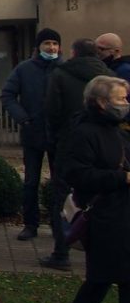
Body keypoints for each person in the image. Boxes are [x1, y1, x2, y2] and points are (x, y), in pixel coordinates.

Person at [61, 75, 130, 303]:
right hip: (105, 216)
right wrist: (120, 178)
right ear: (101, 102)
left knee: (102, 276)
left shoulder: (119, 129)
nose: (125, 103)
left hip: (121, 213)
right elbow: (77, 174)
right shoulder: (84, 132)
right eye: (121, 98)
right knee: (123, 277)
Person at [43, 38, 114, 271]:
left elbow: (52, 111)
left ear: (73, 53)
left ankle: (61, 252)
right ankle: (101, 252)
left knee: (63, 197)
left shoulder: (61, 74)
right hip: (105, 143)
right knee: (100, 196)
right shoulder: (109, 76)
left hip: (69, 142)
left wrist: (54, 138)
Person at [0, 28, 62, 242]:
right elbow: (7, 95)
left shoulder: (64, 69)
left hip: (58, 134)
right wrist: (23, 119)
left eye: (55, 44)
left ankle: (59, 224)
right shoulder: (24, 69)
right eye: (47, 44)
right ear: (39, 47)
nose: (52, 48)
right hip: (33, 132)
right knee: (31, 181)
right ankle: (30, 223)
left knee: (59, 181)